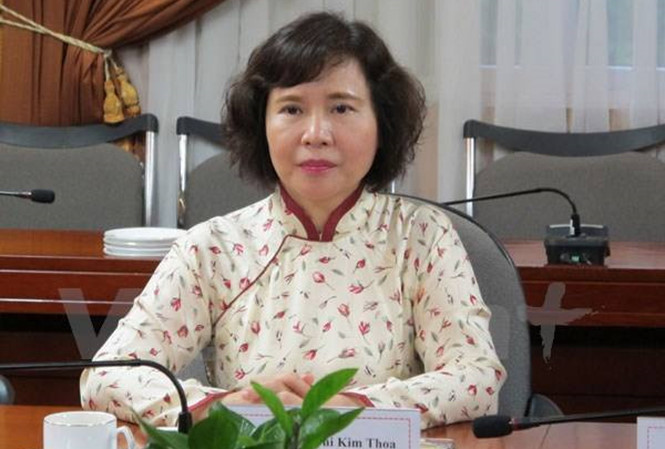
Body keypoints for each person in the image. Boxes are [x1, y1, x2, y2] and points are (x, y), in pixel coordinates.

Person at [80, 11, 505, 429]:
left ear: (382, 124)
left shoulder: (422, 237)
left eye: (341, 108)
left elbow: (476, 377)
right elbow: (107, 377)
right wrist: (223, 405)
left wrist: (354, 405)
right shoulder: (213, 247)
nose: (315, 134)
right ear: (261, 125)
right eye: (292, 109)